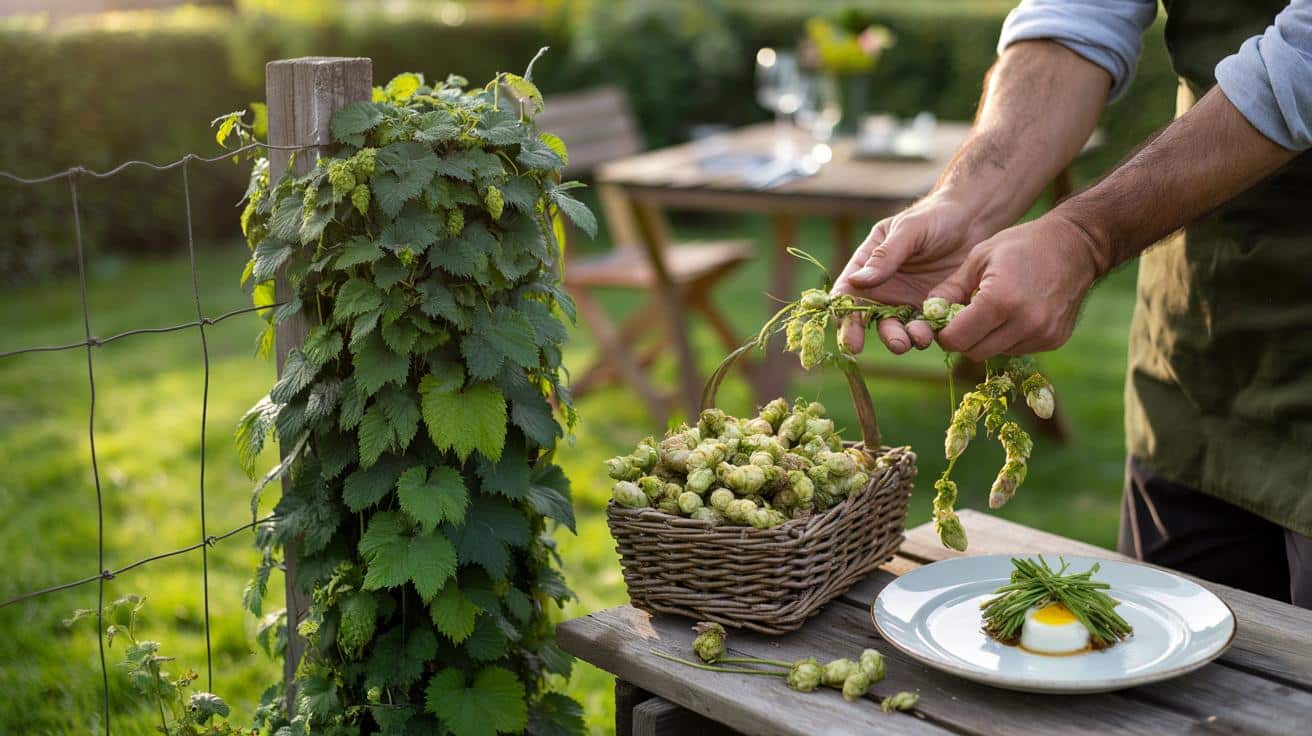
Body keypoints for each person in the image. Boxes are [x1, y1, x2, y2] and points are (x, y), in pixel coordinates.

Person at [832, 0, 1312, 609]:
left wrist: (1086, 237)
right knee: (1151, 670)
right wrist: (965, 203)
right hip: (1201, 366)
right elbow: (1077, 16)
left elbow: (1303, 59)